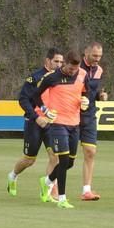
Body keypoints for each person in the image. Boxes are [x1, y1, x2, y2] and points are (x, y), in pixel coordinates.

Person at [33, 51, 88, 209]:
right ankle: (62, 198)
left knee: (70, 162)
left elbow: (86, 92)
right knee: (63, 160)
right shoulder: (52, 78)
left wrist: (85, 100)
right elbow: (35, 95)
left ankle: (47, 181)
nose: (73, 72)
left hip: (74, 123)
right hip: (58, 123)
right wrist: (45, 109)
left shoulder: (83, 74)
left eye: (75, 69)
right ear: (65, 64)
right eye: (71, 68)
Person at [7, 48, 64, 197]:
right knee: (29, 160)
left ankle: (49, 191)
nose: (59, 65)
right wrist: (36, 117)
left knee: (55, 156)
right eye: (56, 61)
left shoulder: (63, 79)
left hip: (53, 124)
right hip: (34, 123)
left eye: (61, 62)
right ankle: (12, 176)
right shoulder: (35, 78)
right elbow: (23, 100)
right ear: (47, 61)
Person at [78, 42, 108, 201]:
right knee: (66, 157)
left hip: (89, 116)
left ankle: (86, 190)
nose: (97, 59)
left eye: (100, 56)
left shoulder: (99, 70)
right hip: (72, 115)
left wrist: (99, 96)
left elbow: (93, 92)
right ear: (86, 52)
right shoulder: (75, 67)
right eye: (95, 56)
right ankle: (51, 184)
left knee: (90, 152)